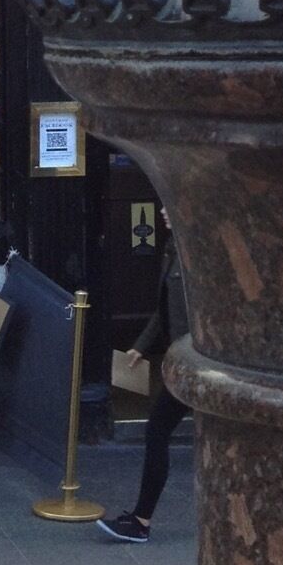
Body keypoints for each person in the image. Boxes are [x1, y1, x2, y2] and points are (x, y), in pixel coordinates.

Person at [97, 219, 189, 543]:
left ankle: (141, 521)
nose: (164, 210)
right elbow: (164, 310)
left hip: (193, 364)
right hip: (181, 360)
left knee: (157, 430)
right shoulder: (174, 246)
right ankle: (140, 519)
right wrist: (140, 345)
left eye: (168, 203)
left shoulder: (196, 251)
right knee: (159, 431)